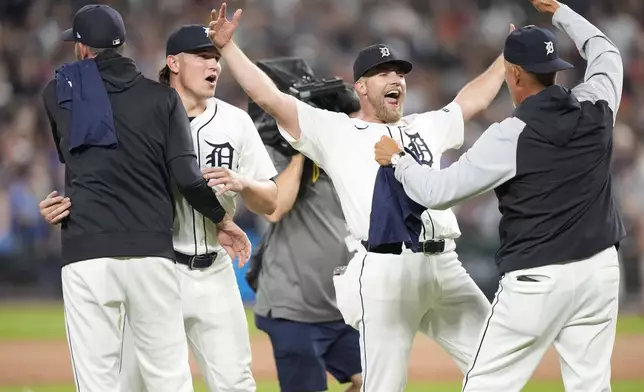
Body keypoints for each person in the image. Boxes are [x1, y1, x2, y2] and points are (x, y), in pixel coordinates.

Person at [206, 3, 508, 391]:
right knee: (382, 385)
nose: (395, 77)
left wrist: (505, 60)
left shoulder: (425, 124)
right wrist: (228, 49)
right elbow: (271, 99)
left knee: (497, 360)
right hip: (385, 268)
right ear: (361, 87)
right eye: (383, 73)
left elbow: (471, 101)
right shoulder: (336, 132)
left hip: (445, 263)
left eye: (399, 72)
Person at [374, 1, 625, 391]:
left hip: (537, 280)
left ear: (513, 73)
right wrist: (561, 11)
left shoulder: (510, 134)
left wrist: (400, 161)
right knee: (591, 385)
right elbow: (606, 51)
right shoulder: (599, 104)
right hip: (600, 272)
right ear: (555, 69)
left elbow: (437, 192)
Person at [39, 23, 278, 392]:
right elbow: (99, 170)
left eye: (216, 57)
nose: (213, 64)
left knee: (236, 383)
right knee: (138, 384)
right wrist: (71, 204)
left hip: (212, 268)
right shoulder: (143, 108)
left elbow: (272, 201)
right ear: (174, 63)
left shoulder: (235, 121)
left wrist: (244, 184)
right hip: (160, 264)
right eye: (202, 57)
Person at [251, 80, 363, 392]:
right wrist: (302, 150)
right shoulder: (283, 157)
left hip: (337, 309)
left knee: (375, 382)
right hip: (292, 309)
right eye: (350, 120)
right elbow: (274, 209)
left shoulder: (353, 161)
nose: (357, 127)